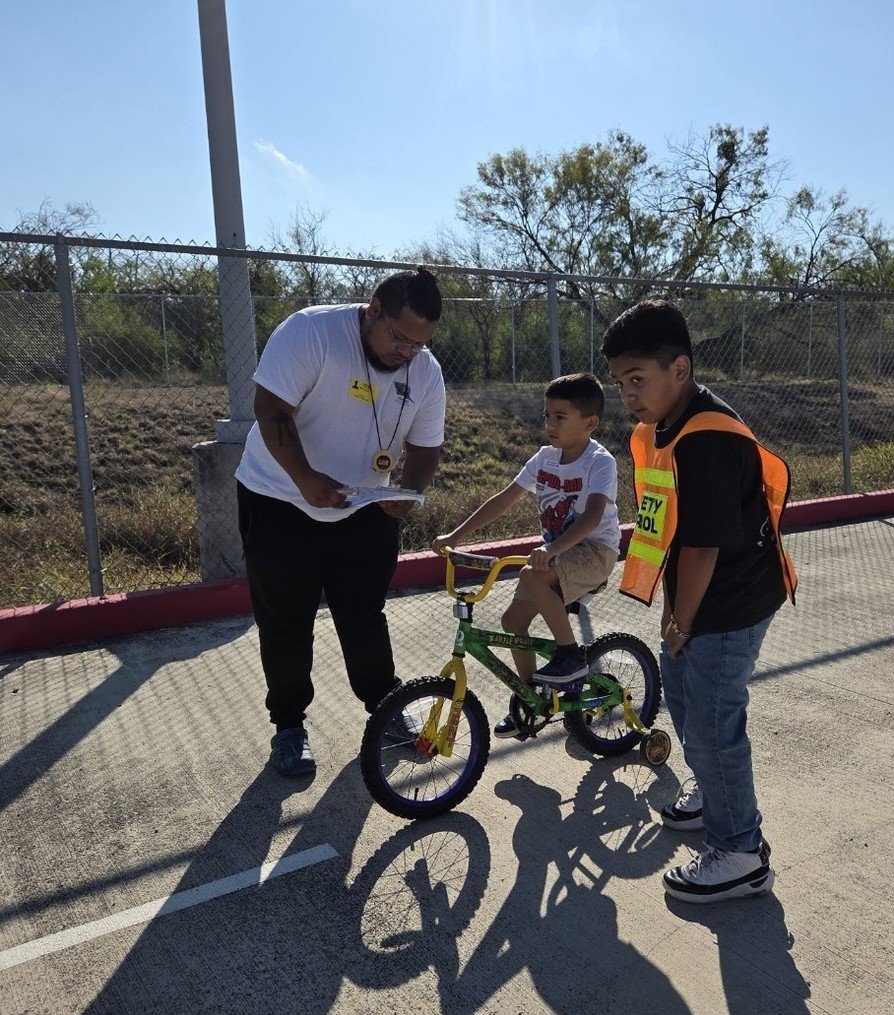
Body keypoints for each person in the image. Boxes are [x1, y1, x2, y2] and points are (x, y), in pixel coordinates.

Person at [602, 299, 797, 904]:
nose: (628, 395)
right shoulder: (668, 427)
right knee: (685, 700)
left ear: (679, 369)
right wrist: (672, 612)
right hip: (701, 595)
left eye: (639, 380)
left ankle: (739, 851)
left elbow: (703, 548)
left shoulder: (707, 438)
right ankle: (716, 796)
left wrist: (681, 618)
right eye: (620, 383)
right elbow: (673, 531)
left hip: (731, 600)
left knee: (713, 721)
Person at [235, 267, 445, 776]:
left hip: (363, 505)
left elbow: (425, 447)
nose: (406, 353)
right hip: (279, 499)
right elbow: (271, 409)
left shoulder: (425, 370)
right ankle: (288, 727)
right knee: (286, 618)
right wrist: (305, 479)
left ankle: (383, 704)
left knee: (364, 612)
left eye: (419, 344)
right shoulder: (311, 332)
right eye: (398, 337)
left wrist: (409, 493)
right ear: (374, 309)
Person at [432, 372, 621, 737]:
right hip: (556, 556)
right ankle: (530, 700)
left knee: (530, 576)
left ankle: (570, 656)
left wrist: (551, 549)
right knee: (512, 624)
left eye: (560, 417)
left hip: (594, 551)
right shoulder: (544, 459)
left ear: (590, 423)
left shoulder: (600, 462)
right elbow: (503, 499)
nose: (549, 424)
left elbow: (594, 515)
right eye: (546, 415)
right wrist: (456, 535)